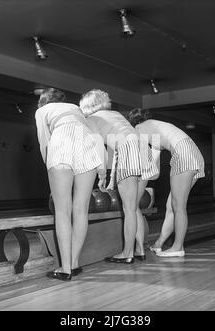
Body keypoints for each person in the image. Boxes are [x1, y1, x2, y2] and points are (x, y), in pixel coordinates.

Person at [35, 88, 106, 280]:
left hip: (61, 146)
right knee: (81, 209)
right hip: (88, 148)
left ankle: (65, 268)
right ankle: (74, 263)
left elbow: (44, 142)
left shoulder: (42, 111)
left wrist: (50, 167)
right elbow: (96, 136)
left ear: (43, 101)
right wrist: (102, 168)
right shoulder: (76, 108)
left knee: (62, 211)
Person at [128, 108, 205, 257]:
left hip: (182, 153)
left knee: (179, 206)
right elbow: (152, 166)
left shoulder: (139, 129)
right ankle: (158, 244)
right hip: (193, 153)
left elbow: (144, 163)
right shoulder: (154, 127)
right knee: (171, 206)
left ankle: (178, 247)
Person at [79, 89, 141, 264]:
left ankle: (127, 253)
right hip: (140, 149)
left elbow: (98, 149)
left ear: (87, 106)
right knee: (133, 208)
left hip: (128, 151)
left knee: (129, 209)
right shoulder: (114, 114)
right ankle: (136, 250)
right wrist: (109, 176)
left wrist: (101, 176)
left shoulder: (93, 119)